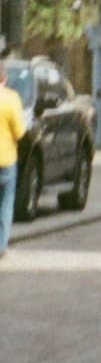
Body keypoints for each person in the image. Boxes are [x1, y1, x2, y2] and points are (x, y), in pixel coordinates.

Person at [0, 64, 27, 259]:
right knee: (6, 204)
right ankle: (1, 246)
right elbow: (19, 132)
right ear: (4, 79)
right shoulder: (11, 98)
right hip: (6, 160)